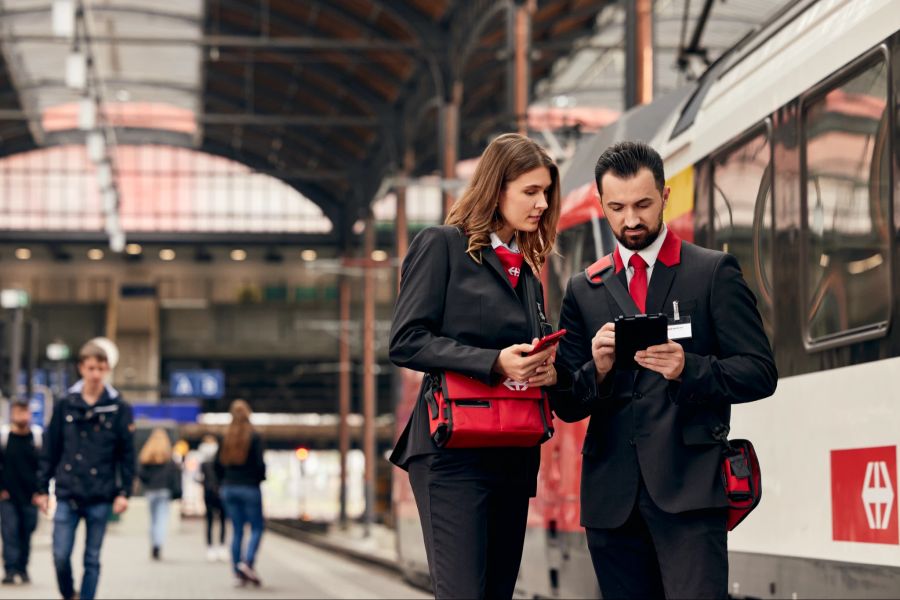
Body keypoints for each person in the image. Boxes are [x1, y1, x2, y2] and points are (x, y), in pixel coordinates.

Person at [550, 141, 777, 599]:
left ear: (665, 197)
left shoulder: (712, 273)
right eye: (616, 207)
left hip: (689, 492)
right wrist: (596, 369)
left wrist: (688, 369)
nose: (630, 220)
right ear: (601, 204)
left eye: (642, 204)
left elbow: (759, 371)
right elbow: (567, 405)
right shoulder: (584, 290)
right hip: (612, 500)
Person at [389, 133, 562, 600]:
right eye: (530, 191)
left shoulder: (527, 275)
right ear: (496, 188)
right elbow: (405, 341)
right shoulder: (441, 246)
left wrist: (544, 369)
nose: (542, 203)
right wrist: (494, 363)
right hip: (452, 453)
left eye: (546, 192)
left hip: (511, 451)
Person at [35, 341, 135, 600]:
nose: (96, 374)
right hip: (68, 491)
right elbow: (50, 448)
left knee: (92, 559)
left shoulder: (118, 407)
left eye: (101, 368)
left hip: (101, 493)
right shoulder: (65, 403)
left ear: (107, 370)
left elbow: (127, 454)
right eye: (91, 368)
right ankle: (69, 594)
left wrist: (124, 491)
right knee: (60, 555)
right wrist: (42, 489)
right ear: (81, 368)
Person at [215, 399, 265, 587]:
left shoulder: (224, 437)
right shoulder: (255, 437)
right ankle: (248, 562)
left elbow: (217, 465)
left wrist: (222, 483)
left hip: (229, 488)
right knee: (257, 527)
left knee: (236, 531)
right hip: (250, 487)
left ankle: (237, 572)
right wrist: (258, 479)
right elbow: (260, 465)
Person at [0, 399, 41, 585]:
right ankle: (10, 569)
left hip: (30, 496)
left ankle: (23, 568)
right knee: (10, 533)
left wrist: (40, 492)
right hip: (8, 496)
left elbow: (43, 467)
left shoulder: (37, 438)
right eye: (18, 413)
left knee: (26, 533)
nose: (22, 417)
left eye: (25, 413)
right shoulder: (4, 438)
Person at [137, 427, 182, 561]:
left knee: (153, 520)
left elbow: (141, 473)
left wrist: (148, 483)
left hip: (151, 491)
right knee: (161, 520)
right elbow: (175, 476)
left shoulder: (146, 456)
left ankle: (153, 543)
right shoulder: (168, 457)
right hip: (164, 491)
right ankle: (158, 544)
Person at [196, 434, 227, 561]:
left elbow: (198, 478)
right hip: (221, 491)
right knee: (223, 520)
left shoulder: (202, 459)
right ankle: (222, 546)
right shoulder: (222, 458)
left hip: (208, 492)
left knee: (209, 520)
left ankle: (210, 548)